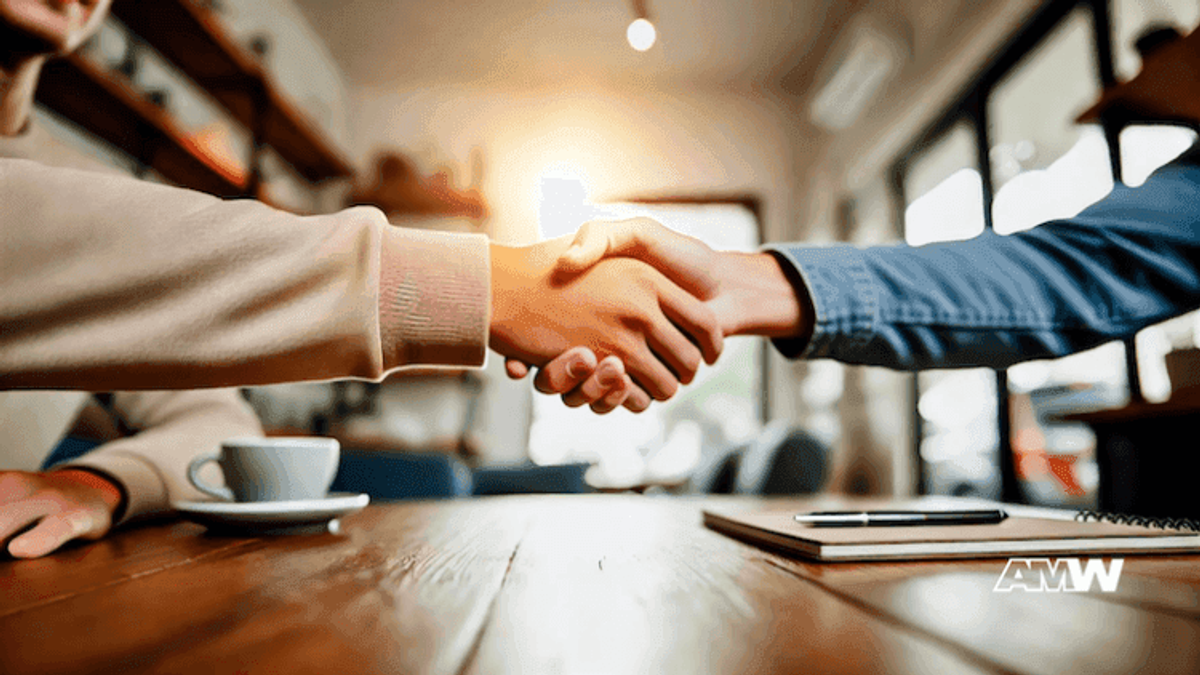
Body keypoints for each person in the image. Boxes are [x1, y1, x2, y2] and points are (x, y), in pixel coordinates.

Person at [0, 0, 713, 557]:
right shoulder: (67, 210)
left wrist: (95, 483)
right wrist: (495, 288)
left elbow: (213, 422)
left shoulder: (85, 183)